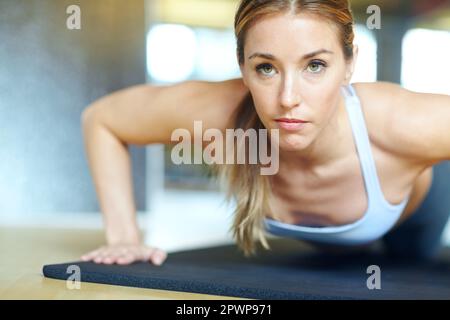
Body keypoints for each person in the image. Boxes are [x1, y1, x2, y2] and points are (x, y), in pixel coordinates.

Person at [80, 0, 450, 266]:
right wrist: (125, 237)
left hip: (416, 211)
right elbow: (103, 119)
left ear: (350, 64)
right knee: (346, 259)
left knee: (408, 259)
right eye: (266, 69)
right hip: (333, 249)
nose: (288, 99)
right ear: (242, 67)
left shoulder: (400, 122)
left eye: (315, 65)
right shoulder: (216, 112)